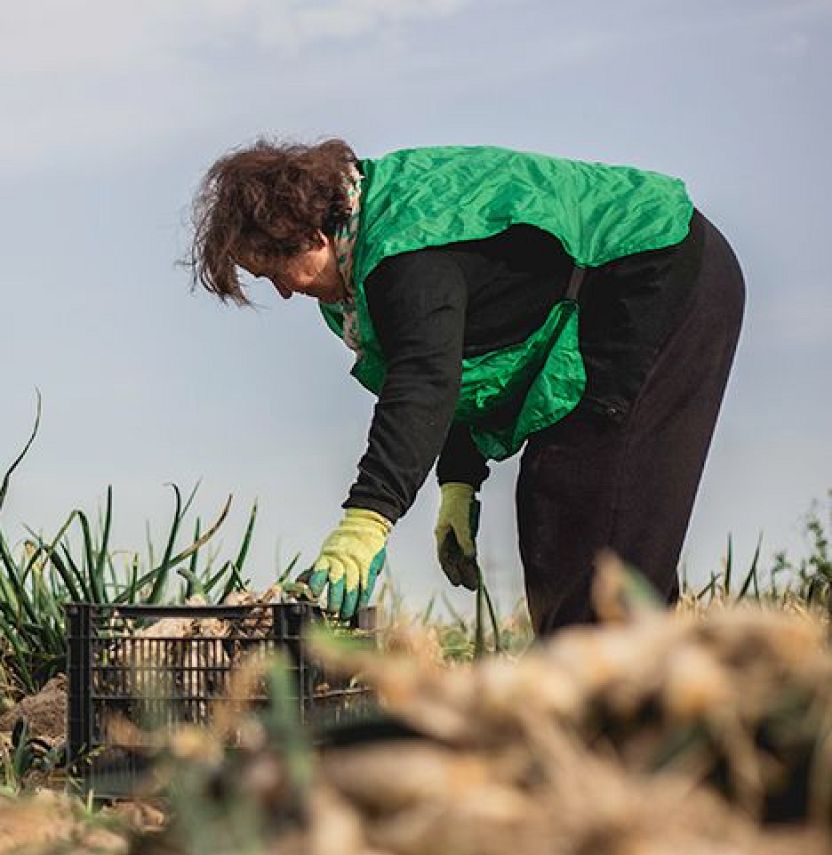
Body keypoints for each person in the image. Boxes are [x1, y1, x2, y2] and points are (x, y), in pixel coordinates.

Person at [188, 141, 744, 635]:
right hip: (633, 285)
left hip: (657, 271)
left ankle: (609, 714)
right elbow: (464, 363)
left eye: (277, 273)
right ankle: (639, 703)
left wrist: (367, 520)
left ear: (309, 235)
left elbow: (425, 379)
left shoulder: (403, 254)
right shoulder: (370, 258)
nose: (284, 293)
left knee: (584, 502)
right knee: (573, 510)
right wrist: (459, 482)